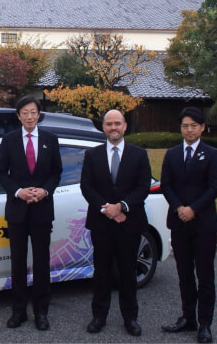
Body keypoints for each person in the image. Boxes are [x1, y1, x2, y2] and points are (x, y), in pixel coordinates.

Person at [80, 109, 151, 336]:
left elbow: (143, 187)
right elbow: (86, 187)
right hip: (101, 223)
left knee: (127, 272)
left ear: (125, 126)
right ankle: (98, 316)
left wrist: (121, 207)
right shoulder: (92, 155)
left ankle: (130, 318)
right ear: (103, 127)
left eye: (117, 123)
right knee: (101, 272)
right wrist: (107, 209)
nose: (113, 127)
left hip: (129, 223)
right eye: (109, 124)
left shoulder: (139, 154)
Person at [0, 95, 62, 331]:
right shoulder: (9, 140)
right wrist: (18, 191)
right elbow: (1, 173)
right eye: (25, 112)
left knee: (42, 262)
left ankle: (42, 312)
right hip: (18, 211)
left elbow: (56, 172)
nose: (30, 116)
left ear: (38, 114)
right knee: (18, 263)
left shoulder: (50, 139)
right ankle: (19, 311)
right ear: (18, 116)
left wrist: (45, 191)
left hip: (42, 209)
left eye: (33, 112)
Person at [160, 107, 217, 344]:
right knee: (184, 274)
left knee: (205, 275)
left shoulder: (212, 154)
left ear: (202, 128)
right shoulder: (173, 154)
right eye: (185, 126)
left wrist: (193, 209)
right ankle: (188, 317)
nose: (189, 130)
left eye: (194, 126)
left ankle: (205, 323)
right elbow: (166, 184)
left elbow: (215, 187)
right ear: (181, 128)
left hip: (204, 224)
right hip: (179, 223)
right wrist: (179, 208)